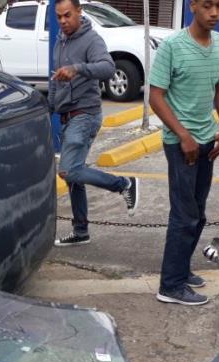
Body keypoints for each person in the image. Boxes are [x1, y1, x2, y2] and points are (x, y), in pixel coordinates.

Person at [149, 0, 219, 306]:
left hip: (207, 141)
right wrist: (183, 135)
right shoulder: (172, 46)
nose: (214, 13)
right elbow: (155, 98)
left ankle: (181, 270)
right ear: (192, 6)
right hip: (180, 143)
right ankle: (170, 285)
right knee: (184, 215)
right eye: (207, 6)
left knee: (197, 213)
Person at [51, 0, 139, 247]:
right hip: (67, 116)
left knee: (67, 170)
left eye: (67, 15)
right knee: (74, 176)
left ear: (79, 12)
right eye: (59, 17)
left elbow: (108, 68)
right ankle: (81, 231)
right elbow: (55, 80)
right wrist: (49, 106)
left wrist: (77, 69)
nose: (63, 21)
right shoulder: (60, 41)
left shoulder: (92, 39)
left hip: (85, 114)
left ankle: (124, 183)